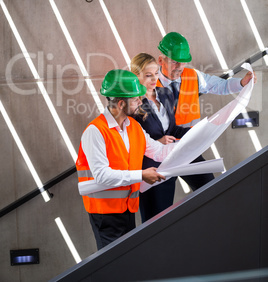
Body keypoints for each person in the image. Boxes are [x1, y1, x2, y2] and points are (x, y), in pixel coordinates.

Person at [76, 69, 176, 249]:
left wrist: (192, 142)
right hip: (104, 213)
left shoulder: (134, 127)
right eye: (136, 98)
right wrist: (141, 175)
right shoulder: (96, 131)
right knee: (113, 268)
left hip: (128, 208)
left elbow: (160, 152)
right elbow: (102, 175)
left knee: (127, 261)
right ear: (121, 103)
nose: (140, 101)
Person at [156, 32, 256, 189]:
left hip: (187, 148)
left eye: (183, 62)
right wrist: (155, 143)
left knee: (208, 191)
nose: (179, 67)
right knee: (159, 207)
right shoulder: (147, 83)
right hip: (159, 154)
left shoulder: (193, 76)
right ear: (161, 60)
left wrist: (242, 83)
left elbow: (219, 85)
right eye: (175, 62)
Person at [130, 53, 192, 222]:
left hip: (169, 167)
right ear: (136, 77)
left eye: (156, 73)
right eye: (148, 75)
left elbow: (171, 128)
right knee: (153, 223)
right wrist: (157, 142)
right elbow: (130, 142)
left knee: (165, 220)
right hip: (150, 172)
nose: (154, 79)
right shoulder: (133, 104)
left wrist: (194, 132)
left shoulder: (165, 94)